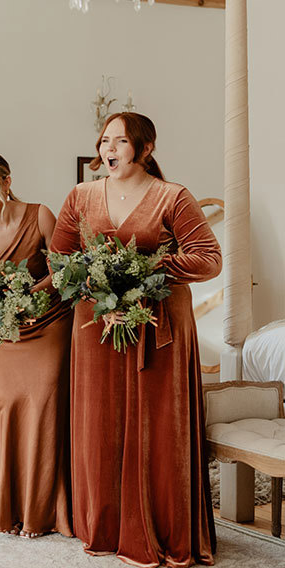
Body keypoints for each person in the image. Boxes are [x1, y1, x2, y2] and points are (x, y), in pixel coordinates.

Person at [50, 112, 220, 565]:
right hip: (96, 330)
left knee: (157, 425)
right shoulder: (80, 196)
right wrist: (97, 283)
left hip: (158, 326)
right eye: (104, 141)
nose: (108, 150)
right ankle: (101, 524)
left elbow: (209, 258)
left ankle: (160, 525)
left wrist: (146, 273)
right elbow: (59, 260)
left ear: (145, 149)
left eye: (120, 142)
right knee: (100, 422)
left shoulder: (173, 196)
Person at [0, 152, 73, 537]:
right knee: (10, 408)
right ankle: (13, 510)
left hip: (51, 323)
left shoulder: (40, 214)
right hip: (9, 335)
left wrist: (27, 297)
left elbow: (63, 272)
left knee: (45, 407)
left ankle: (44, 511)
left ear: (6, 181)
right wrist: (5, 308)